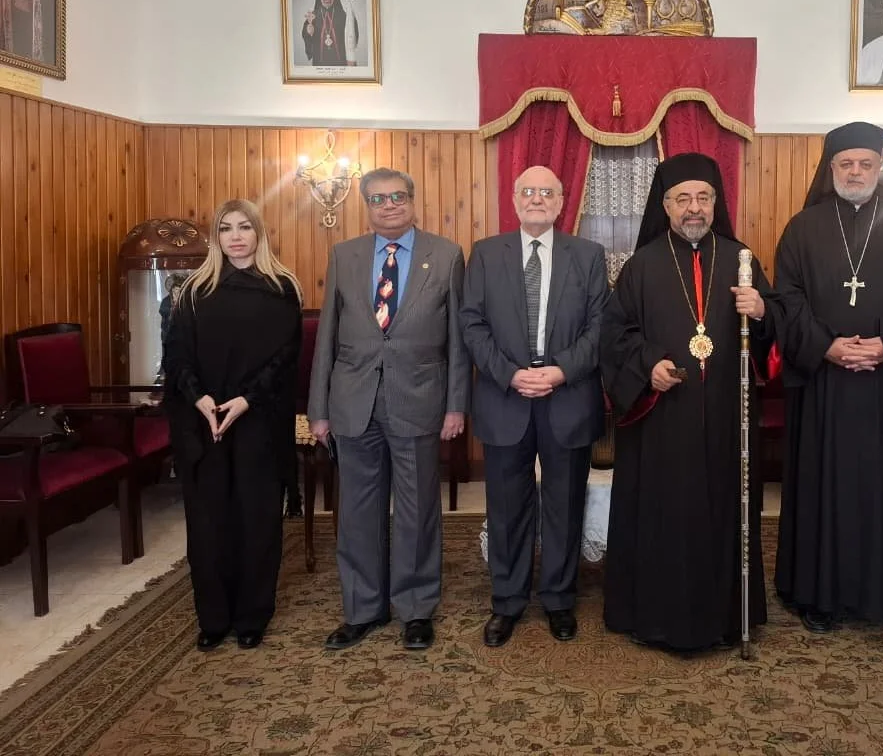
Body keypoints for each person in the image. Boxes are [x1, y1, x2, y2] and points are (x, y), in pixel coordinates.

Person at [773, 121, 883, 634]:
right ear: (831, 170)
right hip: (827, 386)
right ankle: (820, 596)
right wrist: (825, 346)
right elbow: (787, 296)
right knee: (826, 489)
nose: (855, 172)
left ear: (881, 167)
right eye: (845, 164)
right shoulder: (803, 228)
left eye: (865, 164)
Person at [600, 152, 777, 652]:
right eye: (683, 199)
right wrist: (648, 363)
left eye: (702, 198)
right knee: (665, 515)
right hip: (663, 424)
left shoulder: (742, 260)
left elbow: (773, 334)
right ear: (666, 206)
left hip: (725, 418)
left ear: (716, 203)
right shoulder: (642, 266)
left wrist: (762, 309)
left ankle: (724, 617)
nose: (693, 208)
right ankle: (656, 617)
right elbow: (615, 336)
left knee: (723, 511)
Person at [308, 167, 470, 652]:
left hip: (420, 401)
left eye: (399, 197)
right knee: (357, 511)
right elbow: (327, 340)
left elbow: (458, 342)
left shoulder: (446, 255)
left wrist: (455, 405)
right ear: (367, 206)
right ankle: (363, 609)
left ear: (414, 200)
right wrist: (319, 409)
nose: (390, 205)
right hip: (352, 404)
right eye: (378, 199)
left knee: (418, 509)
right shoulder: (345, 255)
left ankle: (416, 609)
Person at [460, 166, 608, 647]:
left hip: (567, 396)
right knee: (507, 508)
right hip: (506, 397)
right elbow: (472, 325)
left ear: (562, 202)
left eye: (547, 192)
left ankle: (560, 600)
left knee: (564, 506)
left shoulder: (588, 256)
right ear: (514, 198)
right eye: (528, 191)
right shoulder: (485, 254)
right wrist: (509, 373)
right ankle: (507, 602)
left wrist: (562, 370)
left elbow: (599, 328)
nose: (537, 199)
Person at [162, 199, 302, 651]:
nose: (236, 236)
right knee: (208, 523)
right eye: (226, 228)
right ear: (215, 237)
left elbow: (284, 360)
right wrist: (201, 400)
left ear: (259, 234)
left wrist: (244, 401)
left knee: (257, 520)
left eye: (245, 227)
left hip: (258, 420)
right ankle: (213, 618)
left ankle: (252, 616)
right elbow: (177, 356)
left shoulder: (281, 288)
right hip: (202, 422)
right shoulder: (192, 293)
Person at [302, 0, 358, 66]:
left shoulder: (343, 15)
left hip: (340, 61)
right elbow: (306, 36)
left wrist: (350, 56)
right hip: (320, 61)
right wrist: (309, 33)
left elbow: (352, 33)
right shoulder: (312, 16)